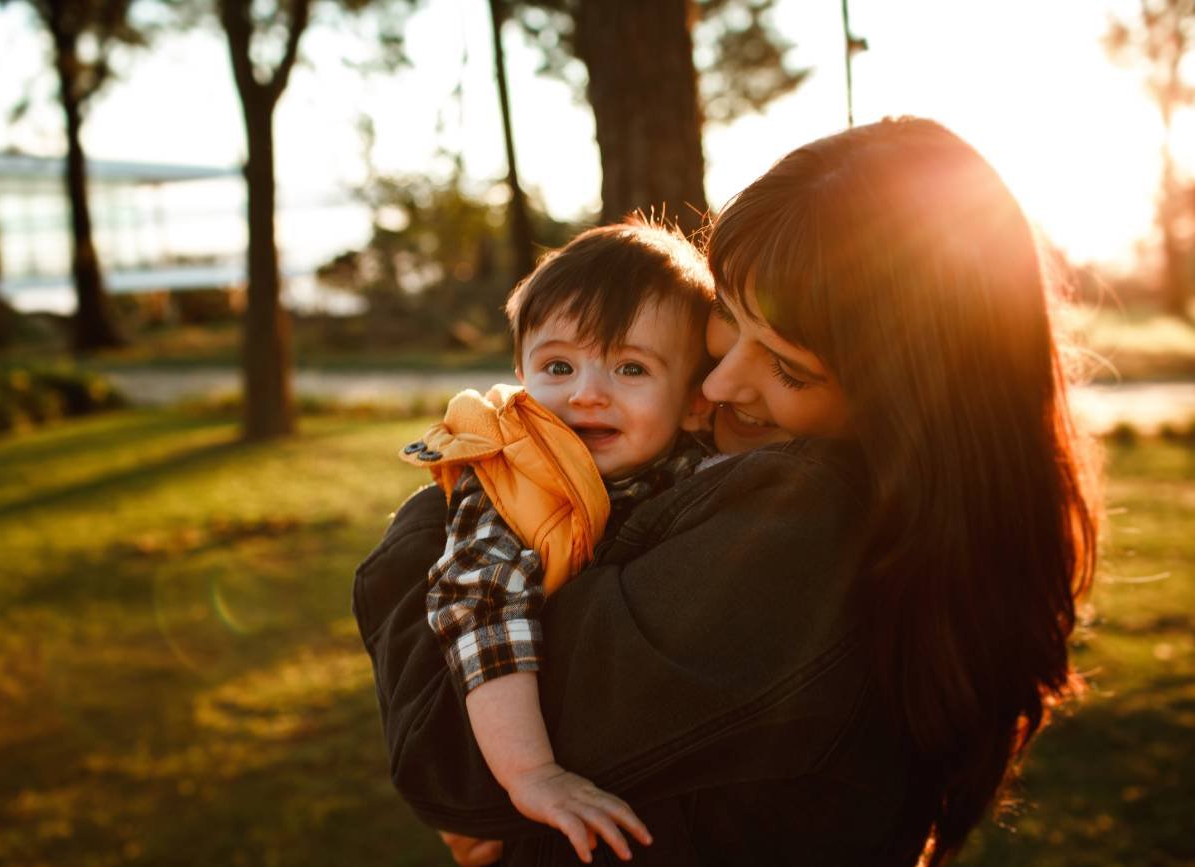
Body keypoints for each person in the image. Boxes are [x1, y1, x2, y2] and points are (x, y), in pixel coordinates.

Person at [354, 117, 1098, 865]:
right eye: (727, 319)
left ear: (911, 397)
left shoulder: (802, 527)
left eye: (790, 368)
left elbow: (443, 760)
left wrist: (445, 502)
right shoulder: (874, 512)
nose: (718, 382)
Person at [398, 219, 716, 862]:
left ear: (693, 403)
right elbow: (478, 607)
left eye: (631, 367)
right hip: (509, 738)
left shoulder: (696, 470)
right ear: (520, 376)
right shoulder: (516, 481)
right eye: (558, 365)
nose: (586, 393)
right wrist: (528, 774)